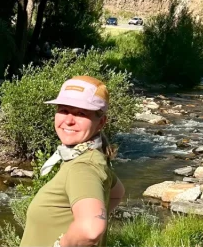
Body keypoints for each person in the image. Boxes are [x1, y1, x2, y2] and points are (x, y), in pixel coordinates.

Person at [20, 76, 126, 247]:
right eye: (63, 110)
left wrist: (63, 244)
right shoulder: (89, 157)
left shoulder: (83, 167)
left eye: (81, 113)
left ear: (101, 122)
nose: (68, 120)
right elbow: (117, 192)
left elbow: (91, 229)